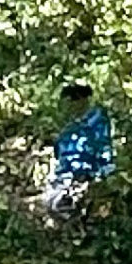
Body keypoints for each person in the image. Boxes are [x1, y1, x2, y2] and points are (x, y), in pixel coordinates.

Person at [41, 81, 114, 215]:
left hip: (87, 175)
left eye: (73, 101)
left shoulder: (97, 120)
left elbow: (104, 148)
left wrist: (101, 174)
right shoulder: (68, 127)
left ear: (82, 100)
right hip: (64, 177)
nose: (70, 107)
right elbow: (59, 154)